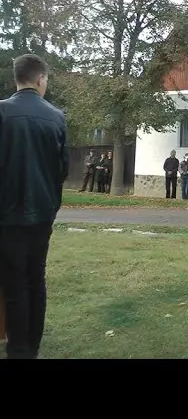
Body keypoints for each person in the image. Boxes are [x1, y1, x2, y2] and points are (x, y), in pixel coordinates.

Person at [0, 53, 69, 359]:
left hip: (7, 212)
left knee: (13, 280)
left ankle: (18, 348)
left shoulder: (2, 112)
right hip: (42, 211)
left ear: (17, 78)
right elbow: (62, 168)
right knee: (35, 278)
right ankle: (33, 345)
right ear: (40, 79)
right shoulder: (56, 116)